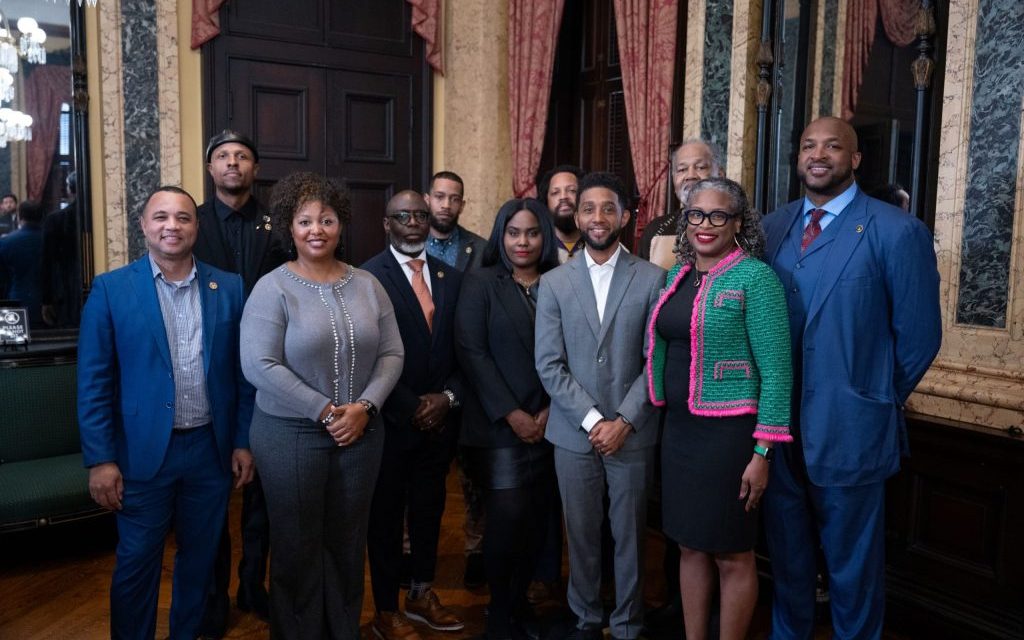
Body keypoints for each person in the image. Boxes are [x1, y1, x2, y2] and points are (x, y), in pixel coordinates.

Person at [761, 116, 941, 639]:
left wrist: (873, 396)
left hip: (851, 428)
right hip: (775, 431)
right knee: (787, 563)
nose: (819, 154)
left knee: (852, 571)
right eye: (808, 145)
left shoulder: (896, 229)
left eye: (833, 146)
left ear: (855, 158)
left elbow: (919, 338)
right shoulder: (772, 227)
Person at [77, 186, 255, 640]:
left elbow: (241, 375)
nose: (171, 226)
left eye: (182, 218)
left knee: (200, 563)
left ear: (196, 226)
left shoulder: (229, 287)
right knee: (137, 564)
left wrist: (241, 441)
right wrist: (100, 459)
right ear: (144, 225)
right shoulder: (112, 289)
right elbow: (94, 380)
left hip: (209, 452)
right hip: (140, 456)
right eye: (160, 217)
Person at [239, 172, 404, 639]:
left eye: (327, 220)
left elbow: (393, 354)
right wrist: (328, 411)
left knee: (349, 545)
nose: (317, 229)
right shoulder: (273, 288)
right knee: (296, 546)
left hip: (362, 434)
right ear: (289, 228)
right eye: (305, 220)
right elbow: (259, 364)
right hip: (290, 436)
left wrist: (365, 408)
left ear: (341, 224)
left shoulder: (369, 283)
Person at [646, 177, 792, 640]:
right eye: (695, 214)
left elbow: (778, 371)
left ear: (738, 223)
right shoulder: (677, 276)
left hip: (730, 439)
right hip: (680, 433)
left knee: (732, 553)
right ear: (684, 220)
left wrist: (762, 452)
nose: (705, 224)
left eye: (718, 215)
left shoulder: (756, 277)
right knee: (689, 546)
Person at [535, 171, 665, 640]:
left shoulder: (653, 279)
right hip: (573, 434)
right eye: (587, 208)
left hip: (632, 432)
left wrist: (624, 420)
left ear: (625, 216)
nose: (596, 217)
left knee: (631, 535)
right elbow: (549, 365)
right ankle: (587, 619)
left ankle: (628, 623)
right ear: (576, 214)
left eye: (607, 208)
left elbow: (658, 361)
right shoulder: (553, 283)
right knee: (582, 535)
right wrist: (594, 421)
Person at [194, 129, 288, 634]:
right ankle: (214, 596)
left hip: (269, 370)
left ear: (255, 167)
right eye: (223, 157)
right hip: (207, 372)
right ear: (211, 169)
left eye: (243, 156)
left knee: (263, 494)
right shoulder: (193, 223)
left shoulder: (277, 226)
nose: (233, 164)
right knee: (212, 493)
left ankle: (255, 583)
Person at [363, 191, 467, 640]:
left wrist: (447, 398)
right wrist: (411, 405)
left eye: (420, 215)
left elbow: (468, 350)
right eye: (402, 215)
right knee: (385, 519)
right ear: (387, 223)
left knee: (430, 511)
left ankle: (422, 594)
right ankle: (386, 609)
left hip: (441, 422)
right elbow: (364, 356)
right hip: (389, 422)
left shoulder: (452, 277)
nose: (413, 222)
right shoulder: (366, 277)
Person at [455, 198, 561, 639]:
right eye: (514, 232)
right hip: (498, 426)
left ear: (546, 237)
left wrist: (552, 409)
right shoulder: (480, 282)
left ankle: (520, 603)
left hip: (553, 420)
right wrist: (513, 413)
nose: (523, 241)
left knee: (538, 519)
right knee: (507, 518)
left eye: (533, 232)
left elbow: (572, 351)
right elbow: (471, 352)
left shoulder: (560, 282)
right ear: (501, 235)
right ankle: (499, 612)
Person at [424, 169, 488, 589]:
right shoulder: (407, 244)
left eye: (455, 198)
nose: (446, 204)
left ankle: (476, 553)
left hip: (469, 372)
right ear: (428, 199)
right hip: (423, 375)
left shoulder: (481, 249)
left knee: (474, 478)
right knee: (423, 478)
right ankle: (413, 557)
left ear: (462, 204)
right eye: (440, 196)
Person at [638, 139, 723, 269]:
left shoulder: (736, 226)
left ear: (720, 175)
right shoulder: (656, 229)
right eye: (682, 169)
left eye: (700, 167)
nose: (690, 176)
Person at [41, 172, 82, 328]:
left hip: (65, 289)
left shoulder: (55, 219)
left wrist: (46, 299)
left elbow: (47, 263)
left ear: (70, 190)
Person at [0, 201, 45, 326]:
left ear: (20, 217)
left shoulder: (6, 242)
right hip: (48, 305)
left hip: (15, 302)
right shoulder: (49, 239)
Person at [538, 165, 586, 263]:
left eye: (572, 190)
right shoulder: (537, 249)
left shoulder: (601, 248)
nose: (563, 197)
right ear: (546, 202)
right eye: (555, 192)